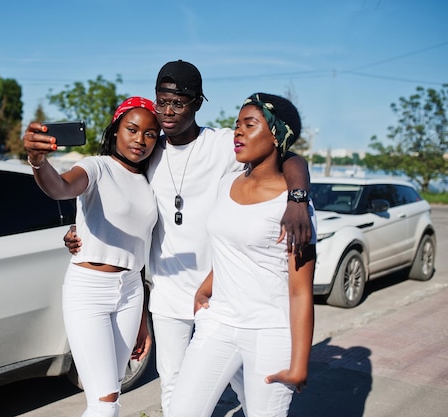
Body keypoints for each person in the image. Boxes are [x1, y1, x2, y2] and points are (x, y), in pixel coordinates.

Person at [65, 60, 313, 416]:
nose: (166, 112)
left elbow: (288, 156)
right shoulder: (149, 148)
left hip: (218, 295)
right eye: (161, 101)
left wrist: (298, 197)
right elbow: (112, 193)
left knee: (248, 389)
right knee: (175, 389)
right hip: (166, 295)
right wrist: (80, 229)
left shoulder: (223, 144)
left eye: (178, 103)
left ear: (197, 103)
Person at [167, 92, 317, 417]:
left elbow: (301, 289)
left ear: (276, 135)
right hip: (218, 322)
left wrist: (300, 363)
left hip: (269, 332)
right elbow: (230, 248)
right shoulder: (227, 183)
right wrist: (206, 286)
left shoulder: (294, 208)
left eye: (250, 125)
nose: (238, 132)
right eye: (237, 125)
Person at [24, 97, 159, 417]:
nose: (140, 140)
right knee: (104, 403)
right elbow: (59, 188)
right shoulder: (95, 167)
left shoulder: (148, 182)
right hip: (90, 290)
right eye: (132, 129)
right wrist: (38, 161)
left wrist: (142, 318)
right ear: (115, 131)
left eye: (150, 134)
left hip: (130, 292)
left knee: (111, 391)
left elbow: (138, 248)